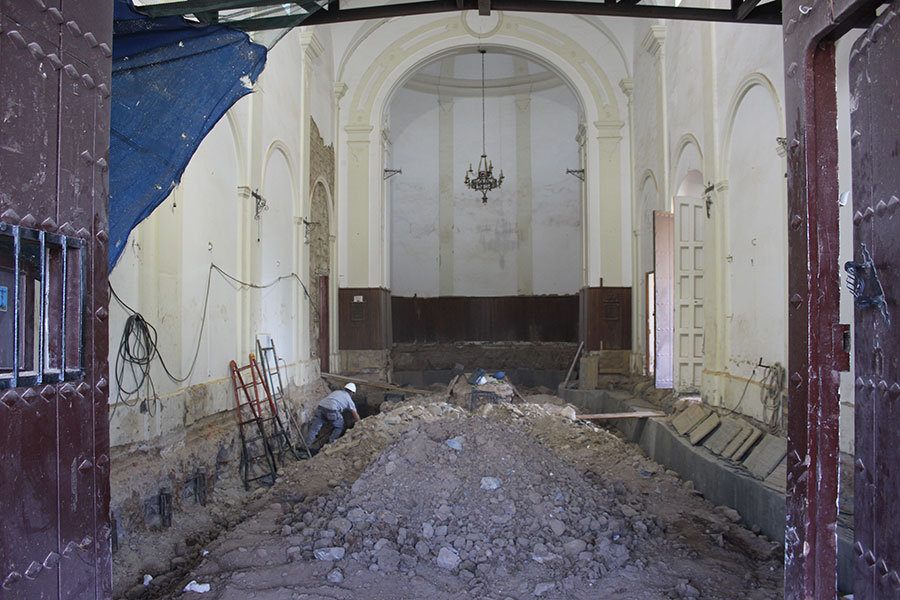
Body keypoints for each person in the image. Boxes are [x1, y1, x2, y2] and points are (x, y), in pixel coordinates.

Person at [305, 382, 360, 449]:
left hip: (320, 407)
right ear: (352, 393)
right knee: (339, 426)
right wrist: (360, 423)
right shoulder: (349, 399)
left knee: (314, 429)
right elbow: (355, 414)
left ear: (344, 389)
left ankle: (306, 446)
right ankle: (330, 445)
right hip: (332, 410)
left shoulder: (336, 392)